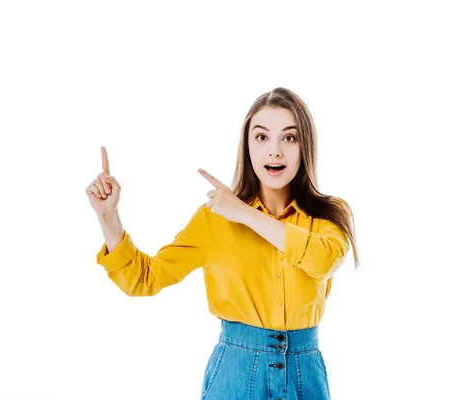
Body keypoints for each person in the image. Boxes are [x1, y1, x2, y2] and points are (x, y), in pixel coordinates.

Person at [85, 87, 359, 399]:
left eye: (289, 137)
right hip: (236, 374)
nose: (275, 151)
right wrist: (108, 216)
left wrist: (245, 214)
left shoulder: (328, 217)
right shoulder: (214, 220)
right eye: (261, 137)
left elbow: (323, 261)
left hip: (304, 373)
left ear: (305, 146)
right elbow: (144, 280)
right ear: (247, 146)